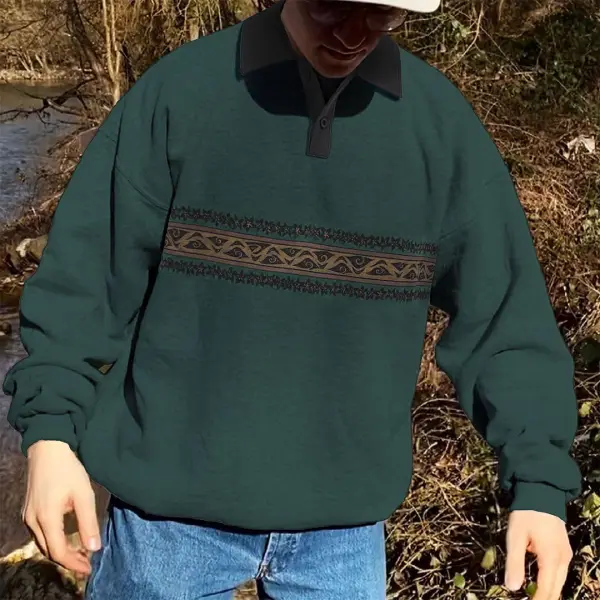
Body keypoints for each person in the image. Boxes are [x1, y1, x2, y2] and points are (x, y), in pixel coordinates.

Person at [3, 0, 582, 599]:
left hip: (343, 536)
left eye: (381, 15)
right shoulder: (181, 95)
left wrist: (539, 483)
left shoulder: (439, 128)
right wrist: (50, 436)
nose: (354, 34)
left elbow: (506, 321)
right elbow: (85, 280)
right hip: (167, 525)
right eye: (334, 8)